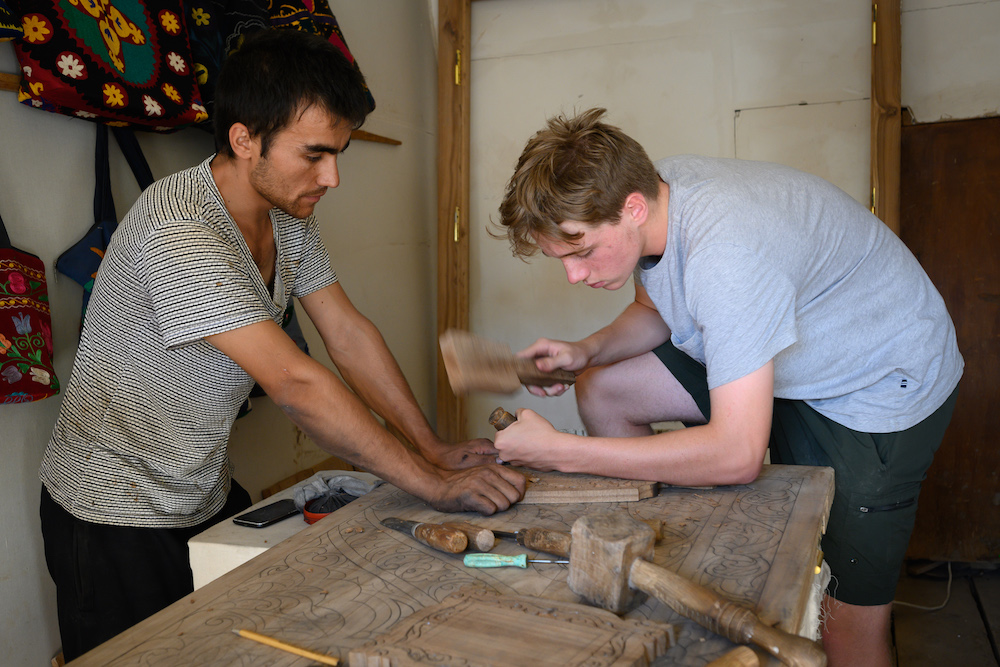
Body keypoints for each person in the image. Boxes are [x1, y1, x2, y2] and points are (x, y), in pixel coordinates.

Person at [39, 29, 524, 661]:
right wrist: (430, 487)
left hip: (201, 488)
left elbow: (348, 335)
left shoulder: (287, 213)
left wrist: (429, 444)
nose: (333, 177)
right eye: (315, 154)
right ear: (243, 140)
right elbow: (298, 385)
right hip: (111, 512)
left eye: (340, 153)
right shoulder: (180, 230)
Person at [492, 108, 962, 667]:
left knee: (841, 630)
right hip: (788, 352)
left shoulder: (728, 256)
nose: (574, 274)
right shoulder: (654, 192)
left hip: (876, 384)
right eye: (562, 259)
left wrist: (563, 455)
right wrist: (585, 351)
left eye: (582, 251)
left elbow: (738, 455)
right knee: (605, 384)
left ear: (632, 209)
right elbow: (658, 307)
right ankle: (643, 550)